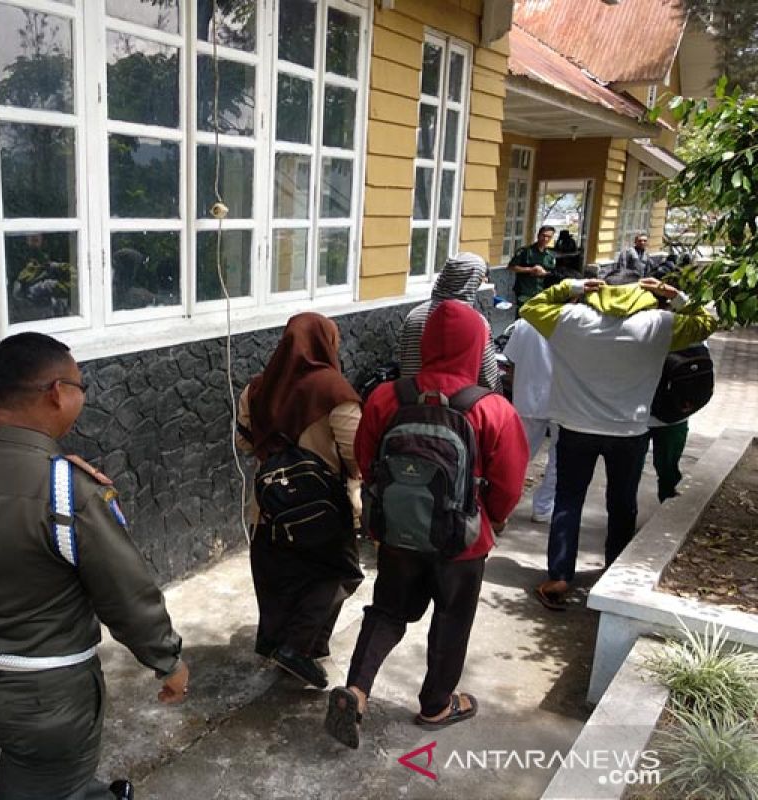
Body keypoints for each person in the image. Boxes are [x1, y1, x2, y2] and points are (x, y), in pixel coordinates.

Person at [0, 332, 188, 800]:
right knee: (49, 781)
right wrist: (166, 660)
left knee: (43, 770)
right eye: (81, 388)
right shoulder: (69, 493)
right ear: (56, 392)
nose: (81, 399)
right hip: (48, 700)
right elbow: (126, 593)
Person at [324, 301, 528, 749]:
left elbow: (367, 459)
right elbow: (509, 483)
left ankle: (356, 691)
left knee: (388, 611)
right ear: (478, 347)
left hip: (398, 533)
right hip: (463, 543)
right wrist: (488, 518)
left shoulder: (386, 396)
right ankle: (437, 704)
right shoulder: (491, 408)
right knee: (452, 618)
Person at [520, 278, 717, 610]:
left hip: (575, 427)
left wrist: (571, 286)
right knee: (623, 503)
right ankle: (613, 571)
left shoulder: (571, 319)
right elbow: (707, 323)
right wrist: (675, 296)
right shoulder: (660, 324)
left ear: (601, 290)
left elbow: (530, 307)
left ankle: (559, 576)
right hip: (630, 431)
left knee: (568, 500)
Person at [236, 312, 364, 689]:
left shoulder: (257, 388)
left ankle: (280, 646)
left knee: (279, 576)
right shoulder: (335, 392)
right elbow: (357, 455)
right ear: (327, 342)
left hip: (269, 507)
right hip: (322, 510)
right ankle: (295, 648)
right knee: (340, 573)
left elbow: (245, 441)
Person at [396, 252, 502, 393]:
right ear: (472, 282)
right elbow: (488, 378)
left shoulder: (414, 315)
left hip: (411, 400)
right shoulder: (476, 323)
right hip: (455, 406)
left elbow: (405, 362)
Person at [502, 319, 558, 523]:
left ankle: (503, 506)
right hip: (562, 400)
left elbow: (512, 363)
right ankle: (543, 508)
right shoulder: (575, 322)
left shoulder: (523, 324)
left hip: (528, 396)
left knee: (518, 457)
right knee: (557, 459)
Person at [507, 226, 556, 309]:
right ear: (538, 235)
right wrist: (530, 269)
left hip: (542, 292)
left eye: (549, 237)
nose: (545, 239)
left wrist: (545, 273)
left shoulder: (550, 256)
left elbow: (552, 273)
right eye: (543, 235)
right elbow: (511, 267)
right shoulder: (525, 251)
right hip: (525, 292)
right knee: (522, 318)